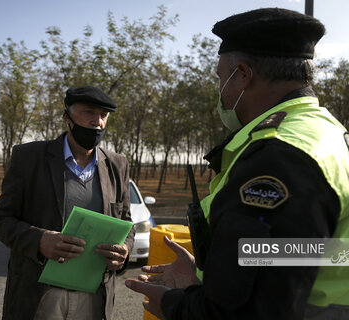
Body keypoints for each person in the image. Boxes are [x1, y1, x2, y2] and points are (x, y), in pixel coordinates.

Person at [125, 8, 349, 320]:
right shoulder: (327, 132)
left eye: (221, 77)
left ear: (243, 74)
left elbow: (248, 311)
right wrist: (210, 271)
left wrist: (175, 304)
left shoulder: (278, 158)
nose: (220, 91)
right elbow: (306, 253)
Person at [0, 85, 135, 320]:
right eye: (89, 112)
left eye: (103, 115)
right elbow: (0, 221)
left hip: (93, 297)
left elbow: (127, 224)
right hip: (38, 295)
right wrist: (40, 241)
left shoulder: (117, 165)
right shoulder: (29, 158)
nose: (97, 122)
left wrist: (124, 251)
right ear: (67, 116)